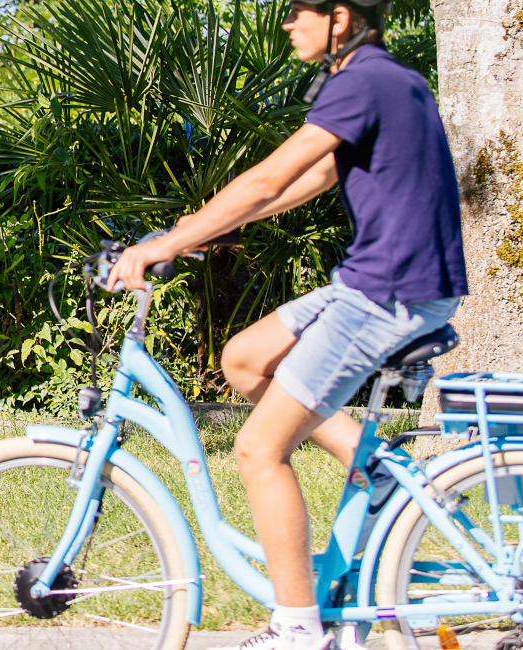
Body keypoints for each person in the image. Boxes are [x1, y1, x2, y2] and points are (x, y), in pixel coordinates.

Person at [105, 0, 466, 647]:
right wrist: (212, 231)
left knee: (258, 449)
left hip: (386, 293)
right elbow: (315, 176)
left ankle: (299, 627)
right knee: (244, 358)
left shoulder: (362, 80)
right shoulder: (391, 77)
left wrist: (161, 244)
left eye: (299, 10)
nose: (286, 23)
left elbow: (271, 173)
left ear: (341, 16)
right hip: (385, 283)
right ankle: (376, 470)